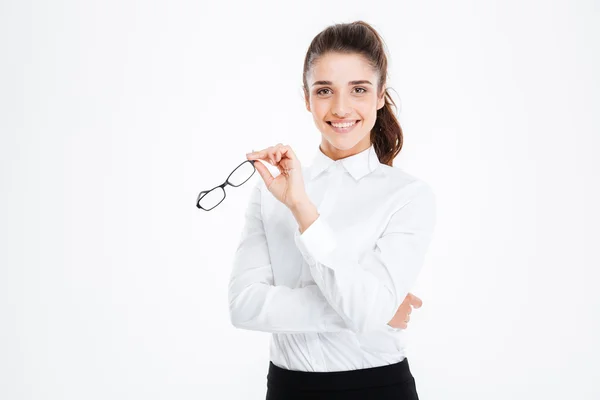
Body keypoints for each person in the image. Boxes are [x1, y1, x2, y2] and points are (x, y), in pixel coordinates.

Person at [228, 20, 437, 399]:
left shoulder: (409, 196)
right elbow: (244, 307)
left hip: (378, 388)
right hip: (289, 389)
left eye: (358, 89)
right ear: (307, 98)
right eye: (324, 90)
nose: (341, 108)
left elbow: (364, 310)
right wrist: (374, 310)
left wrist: (302, 208)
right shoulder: (269, 193)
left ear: (378, 96)